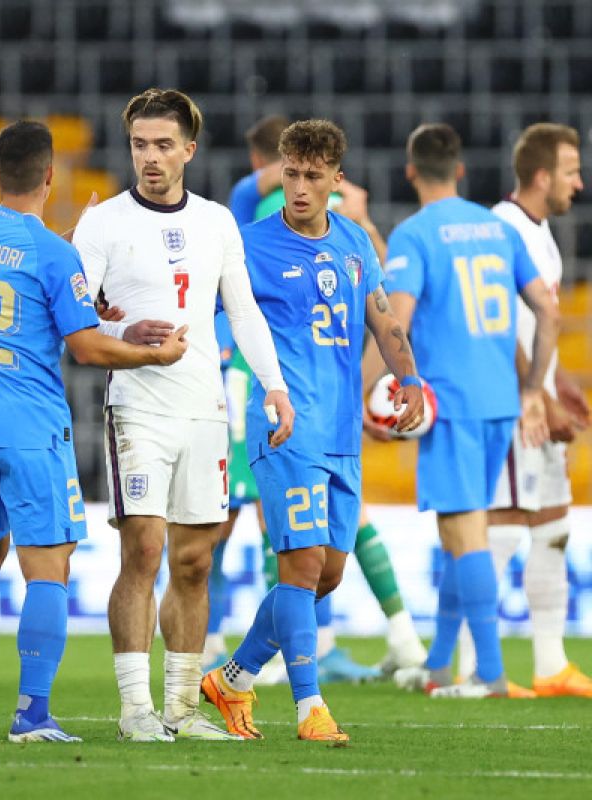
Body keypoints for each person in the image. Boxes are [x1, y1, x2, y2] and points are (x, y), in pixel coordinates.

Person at [0, 120, 190, 743]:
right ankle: (32, 713)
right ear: (50, 175)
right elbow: (84, 348)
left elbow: (46, 302)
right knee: (47, 569)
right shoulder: (55, 254)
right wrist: (150, 355)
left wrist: (92, 306)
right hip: (26, 430)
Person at [71, 88, 292, 743]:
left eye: (164, 144)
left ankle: (182, 710)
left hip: (206, 406)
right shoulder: (103, 223)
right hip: (138, 405)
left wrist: (275, 388)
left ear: (189, 150)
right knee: (142, 548)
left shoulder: (217, 222)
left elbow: (243, 310)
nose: (150, 157)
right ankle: (135, 709)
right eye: (140, 144)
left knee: (195, 562)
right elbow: (77, 315)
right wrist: (118, 326)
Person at [201, 120, 425, 742]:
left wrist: (410, 378)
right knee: (299, 567)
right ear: (281, 172)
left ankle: (234, 677)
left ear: (336, 179)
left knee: (328, 572)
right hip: (282, 424)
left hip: (341, 430)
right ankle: (309, 708)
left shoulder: (355, 244)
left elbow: (385, 323)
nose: (300, 187)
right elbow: (197, 308)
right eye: (291, 174)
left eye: (312, 176)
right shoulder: (248, 245)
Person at [378, 123, 559, 699]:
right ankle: (438, 665)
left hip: (448, 404)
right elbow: (548, 312)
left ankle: (489, 672)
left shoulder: (414, 234)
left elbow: (395, 322)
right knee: (464, 531)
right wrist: (533, 385)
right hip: (499, 402)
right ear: (459, 170)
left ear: (411, 171)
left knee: (465, 533)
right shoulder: (497, 228)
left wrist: (376, 392)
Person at [476, 123, 592, 697]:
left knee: (552, 527)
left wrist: (561, 383)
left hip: (536, 399)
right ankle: (476, 664)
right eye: (572, 170)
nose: (580, 181)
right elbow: (500, 325)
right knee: (502, 527)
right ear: (543, 175)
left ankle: (550, 665)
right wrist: (539, 396)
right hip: (511, 404)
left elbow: (537, 324)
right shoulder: (502, 228)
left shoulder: (539, 233)